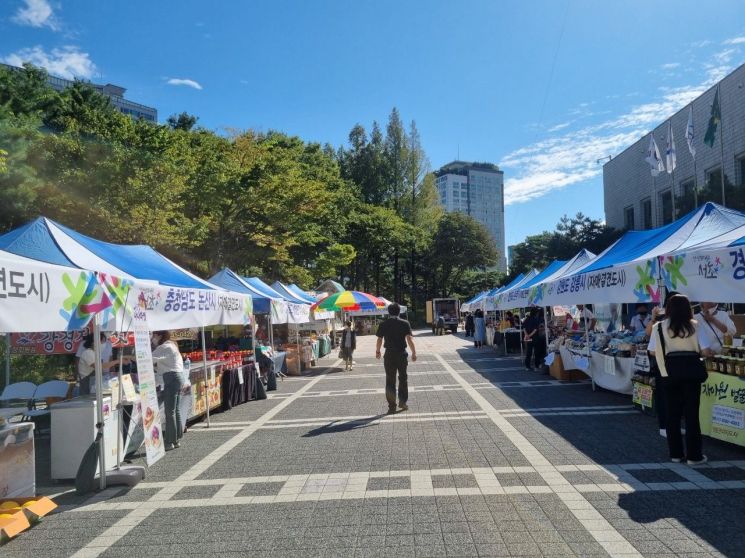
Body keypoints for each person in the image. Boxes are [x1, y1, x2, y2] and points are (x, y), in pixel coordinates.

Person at [648, 294, 711, 465]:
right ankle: (694, 456)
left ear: (668, 309)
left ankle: (675, 454)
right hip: (692, 374)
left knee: (672, 415)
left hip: (669, 373)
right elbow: (705, 351)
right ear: (688, 308)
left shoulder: (659, 327)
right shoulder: (695, 326)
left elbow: (653, 351)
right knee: (692, 415)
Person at [376, 303, 417, 414]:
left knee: (390, 380)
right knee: (403, 378)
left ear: (389, 312)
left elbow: (379, 339)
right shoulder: (405, 323)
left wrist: (378, 351)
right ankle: (402, 402)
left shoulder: (383, 324)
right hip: (401, 354)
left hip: (389, 355)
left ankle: (391, 406)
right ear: (399, 312)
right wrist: (414, 352)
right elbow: (409, 339)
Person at [151, 330, 186, 451]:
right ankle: (176, 439)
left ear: (159, 335)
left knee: (169, 411)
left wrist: (130, 356)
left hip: (171, 378)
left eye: (154, 335)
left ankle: (170, 441)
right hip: (178, 377)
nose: (152, 337)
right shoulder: (172, 345)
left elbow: (148, 358)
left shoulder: (164, 346)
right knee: (174, 409)